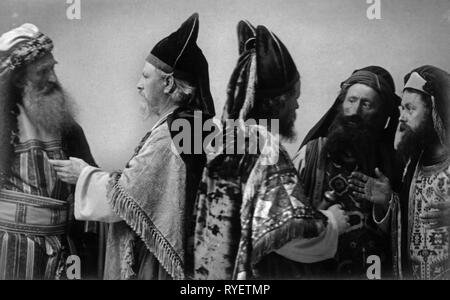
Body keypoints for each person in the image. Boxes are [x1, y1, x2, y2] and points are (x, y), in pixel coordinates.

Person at [50, 13, 215, 280]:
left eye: (145, 76)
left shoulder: (171, 135)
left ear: (168, 83)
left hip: (160, 261)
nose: (138, 84)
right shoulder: (196, 125)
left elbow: (125, 200)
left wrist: (83, 175)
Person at [193, 21, 348, 280]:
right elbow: (287, 234)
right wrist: (332, 222)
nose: (297, 105)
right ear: (277, 102)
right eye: (293, 96)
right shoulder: (265, 150)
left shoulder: (223, 140)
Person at [0, 23, 99, 279]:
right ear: (19, 78)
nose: (53, 78)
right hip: (9, 251)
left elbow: (90, 180)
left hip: (63, 251)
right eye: (42, 72)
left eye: (53, 67)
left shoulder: (67, 127)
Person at [293, 66, 402, 278]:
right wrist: (323, 219)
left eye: (367, 104)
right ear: (341, 104)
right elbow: (281, 221)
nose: (355, 110)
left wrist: (388, 204)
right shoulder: (311, 154)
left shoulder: (394, 163)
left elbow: (414, 236)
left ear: (380, 115)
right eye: (351, 100)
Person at [385, 66, 450, 279]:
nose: (401, 117)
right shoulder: (412, 162)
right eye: (402, 108)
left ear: (434, 111)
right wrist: (386, 200)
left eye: (410, 109)